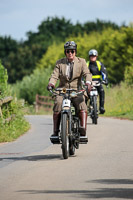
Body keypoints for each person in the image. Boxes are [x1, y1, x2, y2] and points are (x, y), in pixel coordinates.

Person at [47, 41, 92, 139]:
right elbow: (54, 75)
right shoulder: (59, 63)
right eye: (68, 51)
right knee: (58, 103)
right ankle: (55, 131)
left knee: (81, 103)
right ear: (65, 52)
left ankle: (83, 129)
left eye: (72, 51)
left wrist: (88, 83)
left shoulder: (82, 61)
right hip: (62, 90)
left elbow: (87, 74)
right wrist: (51, 84)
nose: (70, 53)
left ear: (75, 52)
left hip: (77, 90)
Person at [87, 49, 108, 114]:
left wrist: (105, 80)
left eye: (94, 56)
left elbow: (104, 73)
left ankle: (101, 107)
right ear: (89, 57)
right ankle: (83, 109)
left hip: (98, 83)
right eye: (91, 56)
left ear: (96, 57)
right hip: (89, 83)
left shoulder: (99, 64)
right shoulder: (86, 64)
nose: (93, 57)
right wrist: (82, 80)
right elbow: (82, 74)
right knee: (84, 94)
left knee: (102, 91)